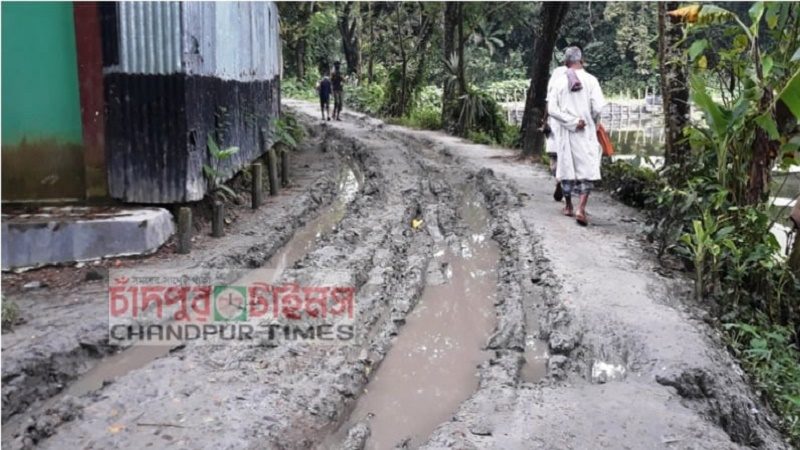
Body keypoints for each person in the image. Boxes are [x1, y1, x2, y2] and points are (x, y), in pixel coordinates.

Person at [548, 46, 606, 226]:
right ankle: (582, 208)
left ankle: (568, 206)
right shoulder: (592, 80)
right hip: (586, 132)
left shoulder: (558, 82)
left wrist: (571, 122)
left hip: (566, 133)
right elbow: (598, 108)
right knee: (587, 170)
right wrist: (590, 122)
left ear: (566, 62)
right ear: (582, 60)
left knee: (566, 169)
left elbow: (552, 110)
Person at [544, 64, 568, 202]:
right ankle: (563, 184)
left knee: (554, 157)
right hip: (569, 124)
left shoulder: (557, 74)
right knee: (567, 157)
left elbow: (548, 101)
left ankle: (559, 181)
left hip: (555, 123)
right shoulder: (582, 77)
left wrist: (544, 119)